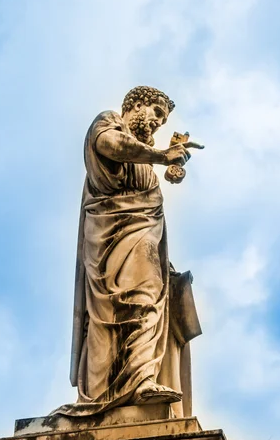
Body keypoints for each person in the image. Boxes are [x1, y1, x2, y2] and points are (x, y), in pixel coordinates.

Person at [53, 86, 201, 417]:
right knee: (120, 309)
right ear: (136, 105)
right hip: (110, 239)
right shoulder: (108, 123)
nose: (157, 124)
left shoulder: (144, 159)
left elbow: (151, 208)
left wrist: (170, 163)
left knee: (149, 300)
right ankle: (114, 389)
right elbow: (110, 145)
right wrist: (163, 156)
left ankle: (142, 380)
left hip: (144, 242)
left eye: (163, 120)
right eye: (156, 114)